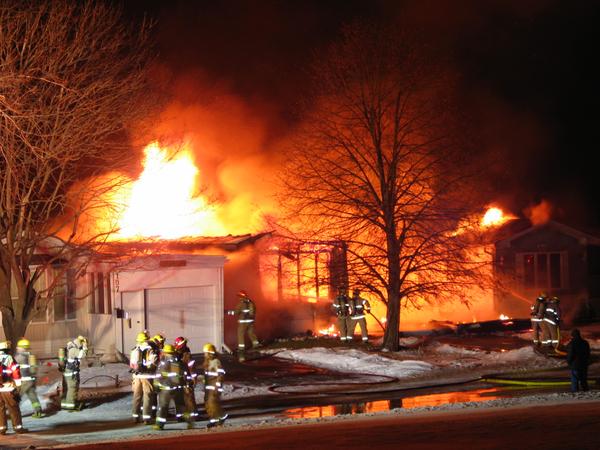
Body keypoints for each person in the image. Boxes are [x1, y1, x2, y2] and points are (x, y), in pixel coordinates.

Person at [153, 344, 192, 430]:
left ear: (166, 353)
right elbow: (187, 376)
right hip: (178, 389)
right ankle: (189, 421)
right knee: (181, 406)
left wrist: (156, 387)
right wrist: (188, 385)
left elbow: (158, 377)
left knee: (162, 407)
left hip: (165, 390)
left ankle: (159, 425)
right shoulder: (180, 363)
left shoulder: (162, 363)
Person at [130, 331, 158, 424]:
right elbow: (154, 362)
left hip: (136, 376)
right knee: (148, 396)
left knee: (136, 396)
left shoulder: (134, 350)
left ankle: (135, 417)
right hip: (147, 376)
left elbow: (131, 365)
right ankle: (146, 418)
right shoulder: (150, 350)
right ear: (147, 339)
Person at [0, 341, 27, 435]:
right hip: (8, 388)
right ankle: (18, 427)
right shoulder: (9, 358)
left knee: (0, 409)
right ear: (7, 349)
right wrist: (19, 385)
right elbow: (15, 372)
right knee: (13, 408)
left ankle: (1, 429)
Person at [14, 338, 43, 418]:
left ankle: (15, 414)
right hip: (31, 381)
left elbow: (13, 368)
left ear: (23, 348)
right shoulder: (31, 357)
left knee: (16, 398)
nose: (17, 348)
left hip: (23, 382)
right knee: (33, 397)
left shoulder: (19, 357)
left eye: (19, 347)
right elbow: (34, 370)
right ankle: (38, 411)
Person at [58, 335, 88, 411]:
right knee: (72, 388)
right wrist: (85, 346)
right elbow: (83, 355)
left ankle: (65, 404)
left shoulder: (70, 347)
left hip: (68, 372)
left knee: (67, 389)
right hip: (71, 373)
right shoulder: (73, 350)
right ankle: (70, 406)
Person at [227, 290, 259, 361]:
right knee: (251, 333)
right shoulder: (250, 302)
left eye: (239, 296)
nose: (238, 298)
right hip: (250, 321)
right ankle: (256, 344)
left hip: (243, 322)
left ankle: (241, 349)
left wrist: (228, 312)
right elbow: (254, 310)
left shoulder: (241, 303)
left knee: (240, 334)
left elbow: (236, 312)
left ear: (241, 296)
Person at [202, 343, 227, 428]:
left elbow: (221, 374)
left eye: (206, 353)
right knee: (208, 404)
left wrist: (217, 385)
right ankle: (214, 419)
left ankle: (220, 418)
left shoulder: (216, 362)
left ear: (210, 353)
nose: (204, 354)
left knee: (212, 403)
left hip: (214, 387)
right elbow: (209, 375)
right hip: (209, 388)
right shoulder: (208, 362)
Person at [174, 336, 198, 421]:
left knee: (179, 399)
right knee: (189, 398)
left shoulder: (174, 353)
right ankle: (193, 416)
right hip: (186, 380)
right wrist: (194, 378)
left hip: (177, 380)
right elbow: (191, 367)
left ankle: (180, 417)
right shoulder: (186, 354)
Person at [566, 328, 590, 392]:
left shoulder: (572, 343)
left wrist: (569, 361)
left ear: (572, 335)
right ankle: (586, 390)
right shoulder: (585, 343)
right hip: (584, 364)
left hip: (575, 364)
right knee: (583, 379)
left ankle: (575, 391)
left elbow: (570, 354)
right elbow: (588, 353)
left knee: (575, 379)